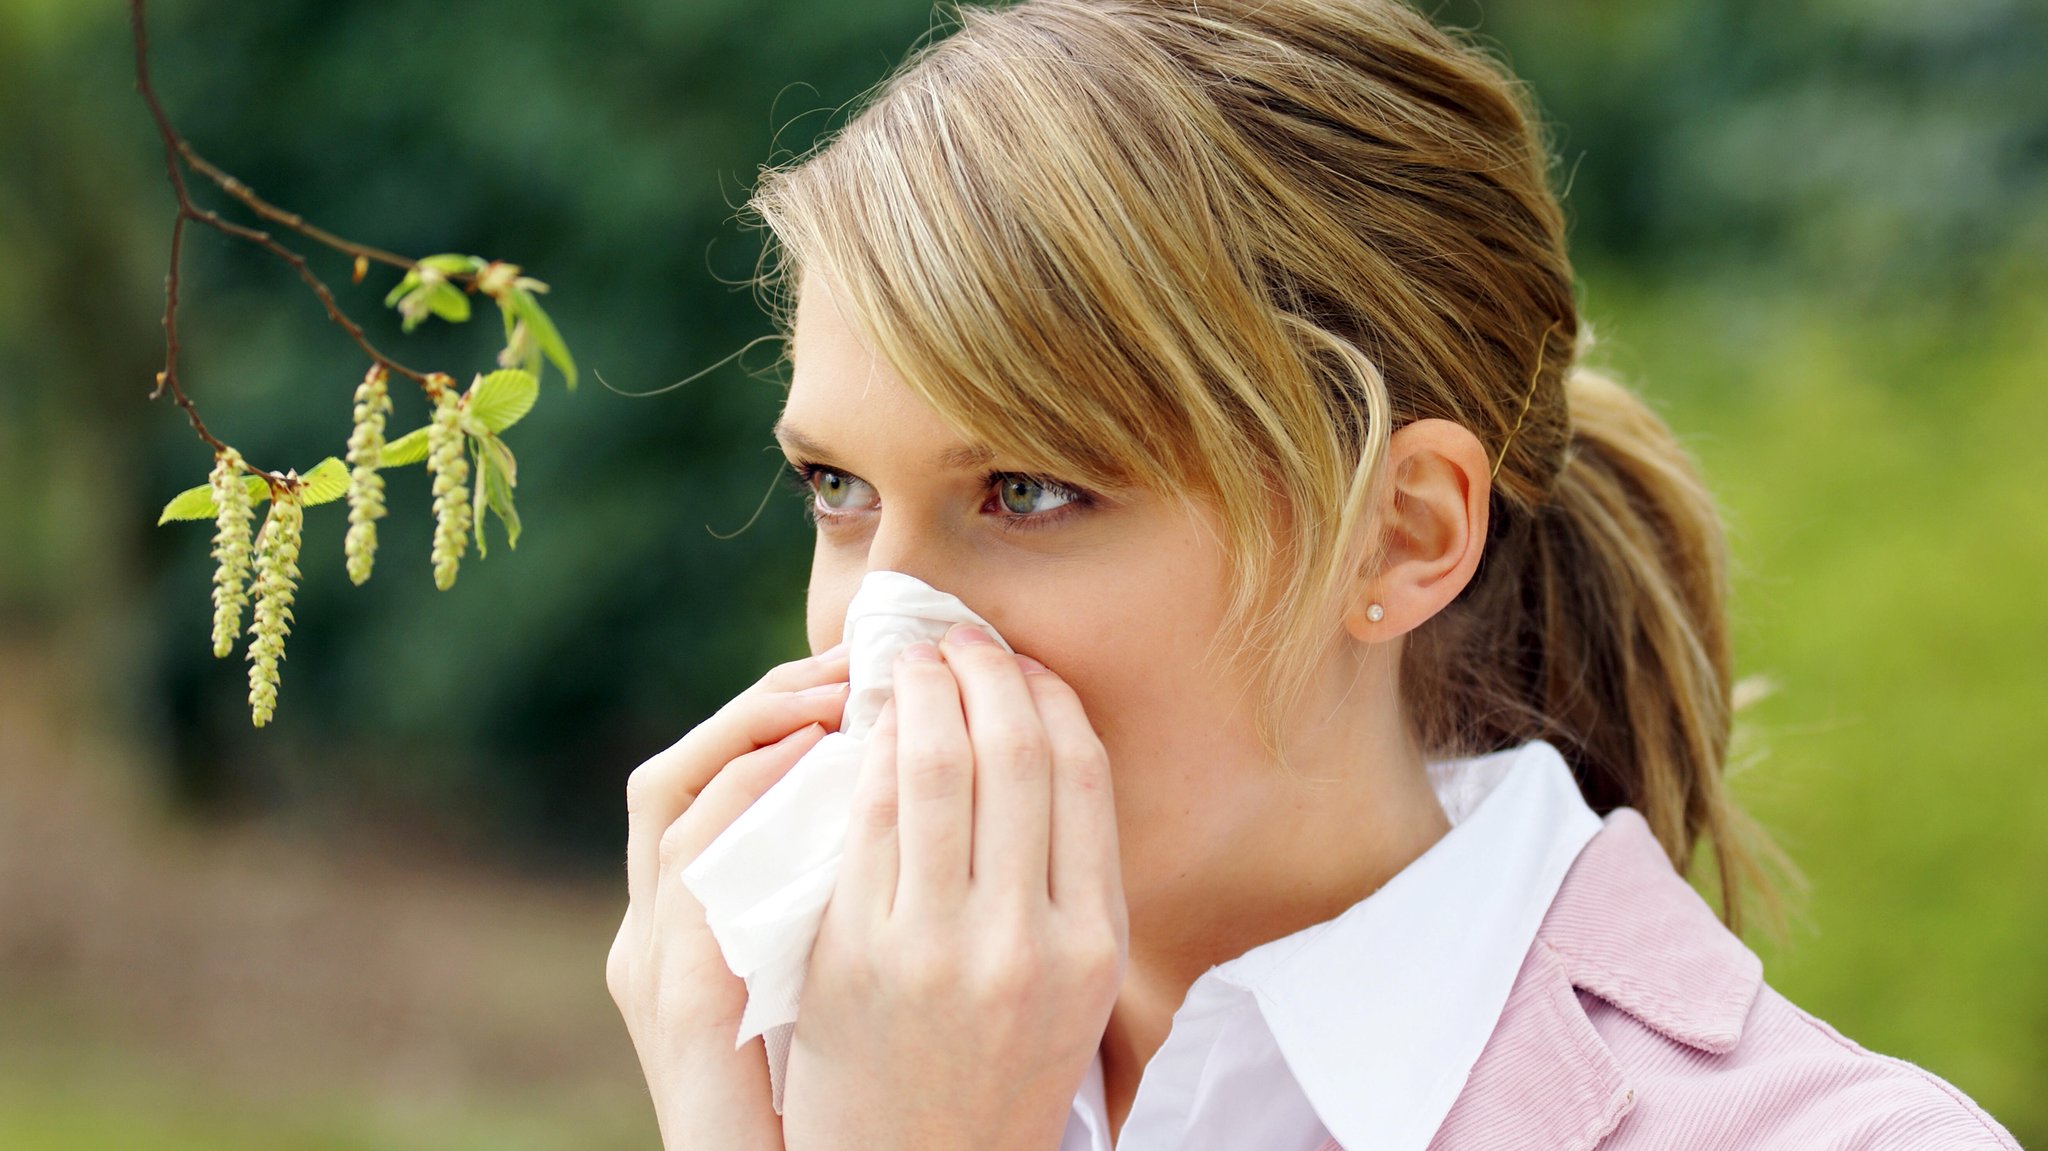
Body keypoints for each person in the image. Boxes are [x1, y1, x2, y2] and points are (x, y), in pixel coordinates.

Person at [605, 0, 2023, 1147]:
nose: (875, 632)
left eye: (1028, 491)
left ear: (1402, 533)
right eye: (836, 491)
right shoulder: (812, 1059)